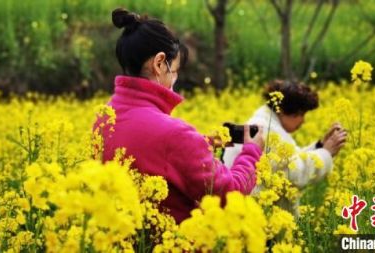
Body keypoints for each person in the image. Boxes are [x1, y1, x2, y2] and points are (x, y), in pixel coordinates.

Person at [93, 8, 265, 224]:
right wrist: (252, 152)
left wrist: (201, 144)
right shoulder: (174, 134)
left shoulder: (104, 117)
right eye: (174, 70)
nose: (176, 77)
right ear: (159, 63)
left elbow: (148, 155)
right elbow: (230, 194)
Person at [222, 79, 347, 215]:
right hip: (260, 218)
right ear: (281, 110)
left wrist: (320, 146)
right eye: (300, 114)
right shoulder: (264, 130)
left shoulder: (267, 124)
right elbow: (295, 172)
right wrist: (326, 153)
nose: (303, 120)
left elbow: (289, 160)